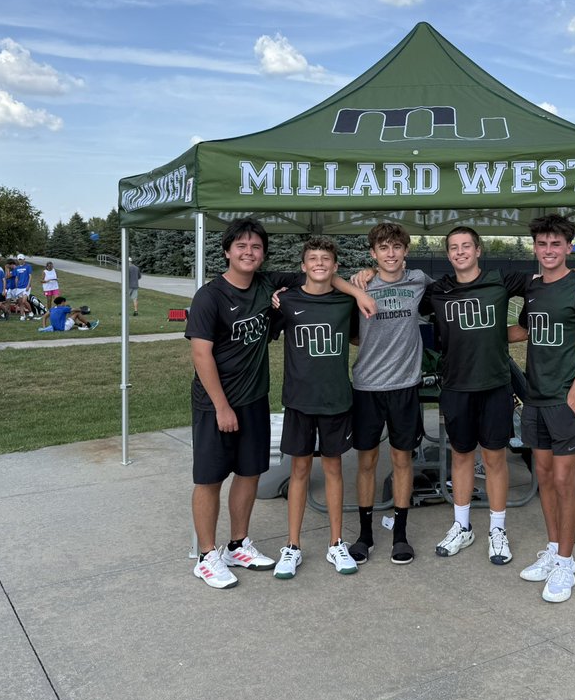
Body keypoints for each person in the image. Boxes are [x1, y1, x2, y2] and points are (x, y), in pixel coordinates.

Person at [184, 217, 373, 591]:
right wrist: (221, 405)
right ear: (226, 252)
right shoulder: (210, 296)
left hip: (254, 399)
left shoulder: (270, 284)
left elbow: (322, 274)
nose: (249, 253)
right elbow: (200, 354)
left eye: (255, 247)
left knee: (248, 473)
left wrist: (358, 290)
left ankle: (238, 544)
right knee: (209, 478)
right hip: (215, 403)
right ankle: (207, 556)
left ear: (263, 254)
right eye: (241, 246)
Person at [422, 226, 575, 565]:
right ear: (448, 254)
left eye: (466, 246)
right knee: (461, 456)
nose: (460, 252)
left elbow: (551, 272)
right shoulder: (437, 291)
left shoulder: (503, 280)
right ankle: (462, 526)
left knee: (495, 459)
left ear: (478, 250)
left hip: (495, 385)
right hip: (456, 385)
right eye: (454, 248)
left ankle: (497, 530)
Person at [508, 214, 575, 603]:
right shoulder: (531, 289)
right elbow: (525, 330)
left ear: (569, 247)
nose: (548, 251)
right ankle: (552, 550)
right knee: (544, 477)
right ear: (536, 247)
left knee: (566, 482)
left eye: (556, 245)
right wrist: (477, 334)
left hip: (566, 399)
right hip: (535, 397)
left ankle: (566, 562)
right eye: (542, 244)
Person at [345, 222, 434, 566]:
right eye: (383, 248)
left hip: (405, 385)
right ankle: (365, 535)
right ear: (373, 254)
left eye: (397, 247)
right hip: (367, 385)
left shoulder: (419, 280)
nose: (391, 254)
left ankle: (400, 534)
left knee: (402, 460)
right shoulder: (361, 283)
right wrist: (360, 278)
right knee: (366, 461)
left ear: (406, 251)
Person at [271, 237, 360, 579]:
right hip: (299, 401)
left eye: (326, 258)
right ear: (303, 266)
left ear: (336, 266)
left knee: (335, 469)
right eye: (313, 258)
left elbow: (358, 336)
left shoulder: (345, 302)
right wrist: (274, 296)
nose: (319, 263)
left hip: (336, 399)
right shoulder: (287, 301)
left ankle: (336, 543)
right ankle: (292, 546)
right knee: (300, 472)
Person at [13, 254, 35, 319]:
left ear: (24, 259)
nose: (20, 261)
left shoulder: (28, 266)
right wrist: (16, 286)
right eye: (19, 259)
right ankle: (22, 315)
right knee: (20, 302)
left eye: (21, 259)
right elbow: (16, 277)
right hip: (19, 287)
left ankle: (31, 312)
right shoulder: (16, 268)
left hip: (26, 286)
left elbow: (30, 276)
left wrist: (28, 285)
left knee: (24, 301)